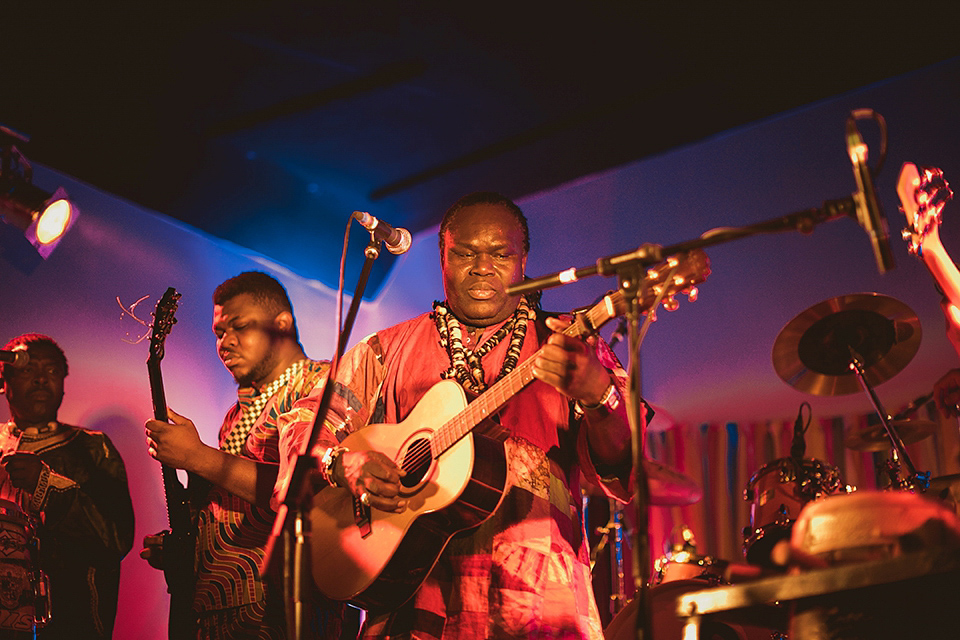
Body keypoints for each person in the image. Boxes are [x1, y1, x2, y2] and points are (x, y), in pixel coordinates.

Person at [311, 192, 635, 638]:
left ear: (524, 262)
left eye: (501, 254)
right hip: (412, 596)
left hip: (537, 602)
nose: (482, 267)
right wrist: (343, 462)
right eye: (464, 253)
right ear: (442, 257)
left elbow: (625, 473)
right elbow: (307, 429)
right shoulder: (381, 351)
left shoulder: (573, 344)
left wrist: (600, 398)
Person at [141, 271, 347, 639]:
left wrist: (199, 457)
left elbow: (309, 489)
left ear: (282, 325)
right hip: (217, 612)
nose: (225, 343)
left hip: (281, 609)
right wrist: (186, 548)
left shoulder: (321, 383)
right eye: (219, 333)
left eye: (240, 327)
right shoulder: (236, 415)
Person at [0, 333, 135, 638]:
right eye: (26, 370)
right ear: (3, 380)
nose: (40, 380)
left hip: (68, 623)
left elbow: (115, 539)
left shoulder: (93, 447)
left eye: (51, 371)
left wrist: (46, 485)